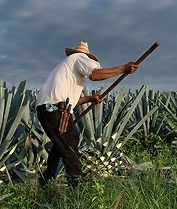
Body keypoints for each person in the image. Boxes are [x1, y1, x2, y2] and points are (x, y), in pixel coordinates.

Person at [35, 41, 138, 186]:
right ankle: (77, 189)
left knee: (61, 145)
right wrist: (123, 68)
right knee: (71, 148)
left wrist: (90, 98)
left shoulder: (67, 68)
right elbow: (95, 75)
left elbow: (73, 102)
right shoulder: (80, 58)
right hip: (55, 110)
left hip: (47, 109)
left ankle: (47, 180)